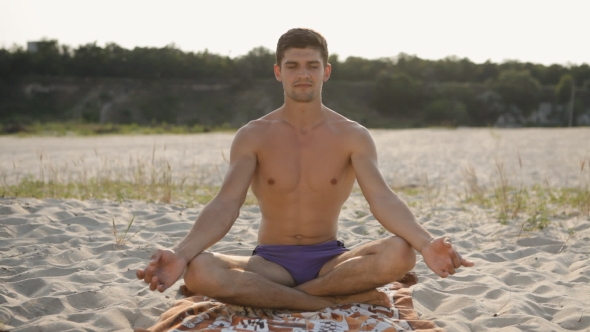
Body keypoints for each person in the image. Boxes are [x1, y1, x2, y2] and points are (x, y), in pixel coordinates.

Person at [136, 28, 474, 311]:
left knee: (401, 253)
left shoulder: (352, 135)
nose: (303, 74)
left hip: (331, 261)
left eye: (312, 66)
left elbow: (381, 199)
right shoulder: (253, 135)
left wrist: (427, 243)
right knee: (198, 272)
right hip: (269, 263)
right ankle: (324, 301)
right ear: (278, 71)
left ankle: (297, 299)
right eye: (293, 65)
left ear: (326, 71)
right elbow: (226, 204)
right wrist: (180, 254)